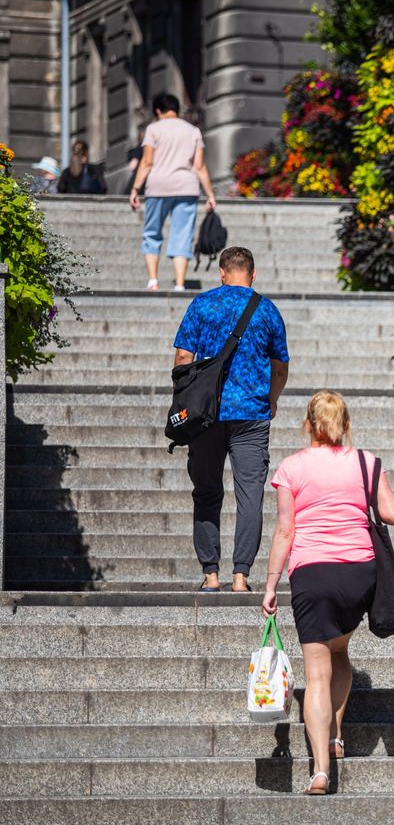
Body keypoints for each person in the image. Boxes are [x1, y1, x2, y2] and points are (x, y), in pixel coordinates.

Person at [261, 391, 394, 796]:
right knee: (340, 652)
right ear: (346, 425)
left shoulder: (291, 468)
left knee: (316, 674)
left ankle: (321, 771)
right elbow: (392, 514)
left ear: (308, 425)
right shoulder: (367, 462)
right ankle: (336, 735)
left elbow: (286, 530)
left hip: (312, 576)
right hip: (359, 574)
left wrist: (271, 584)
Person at [173, 246, 289, 594]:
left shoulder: (202, 305)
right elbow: (280, 366)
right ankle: (241, 577)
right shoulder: (266, 310)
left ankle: (211, 575)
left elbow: (182, 357)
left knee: (206, 492)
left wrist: (187, 398)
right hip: (251, 414)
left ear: (221, 273)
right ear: (252, 275)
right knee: (250, 495)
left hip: (206, 414)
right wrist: (271, 400)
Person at [129, 93, 217, 291]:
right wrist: (210, 194)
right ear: (175, 110)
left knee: (152, 233)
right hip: (187, 187)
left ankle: (153, 281)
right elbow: (200, 166)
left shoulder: (153, 129)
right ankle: (179, 284)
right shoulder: (193, 131)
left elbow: (147, 161)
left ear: (158, 111)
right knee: (183, 235)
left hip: (158, 187)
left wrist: (135, 188)